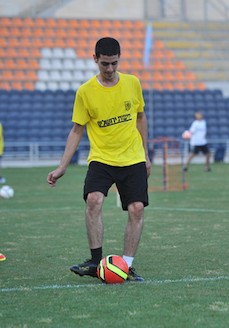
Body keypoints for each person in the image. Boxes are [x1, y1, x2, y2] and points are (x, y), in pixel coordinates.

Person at [47, 37, 151, 282]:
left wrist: (145, 154)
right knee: (93, 200)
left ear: (119, 58)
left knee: (136, 209)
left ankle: (126, 265)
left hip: (132, 156)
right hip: (101, 158)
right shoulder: (85, 92)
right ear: (95, 59)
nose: (110, 69)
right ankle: (95, 262)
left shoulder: (133, 83)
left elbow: (140, 118)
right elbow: (76, 129)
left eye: (114, 63)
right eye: (105, 64)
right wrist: (62, 166)